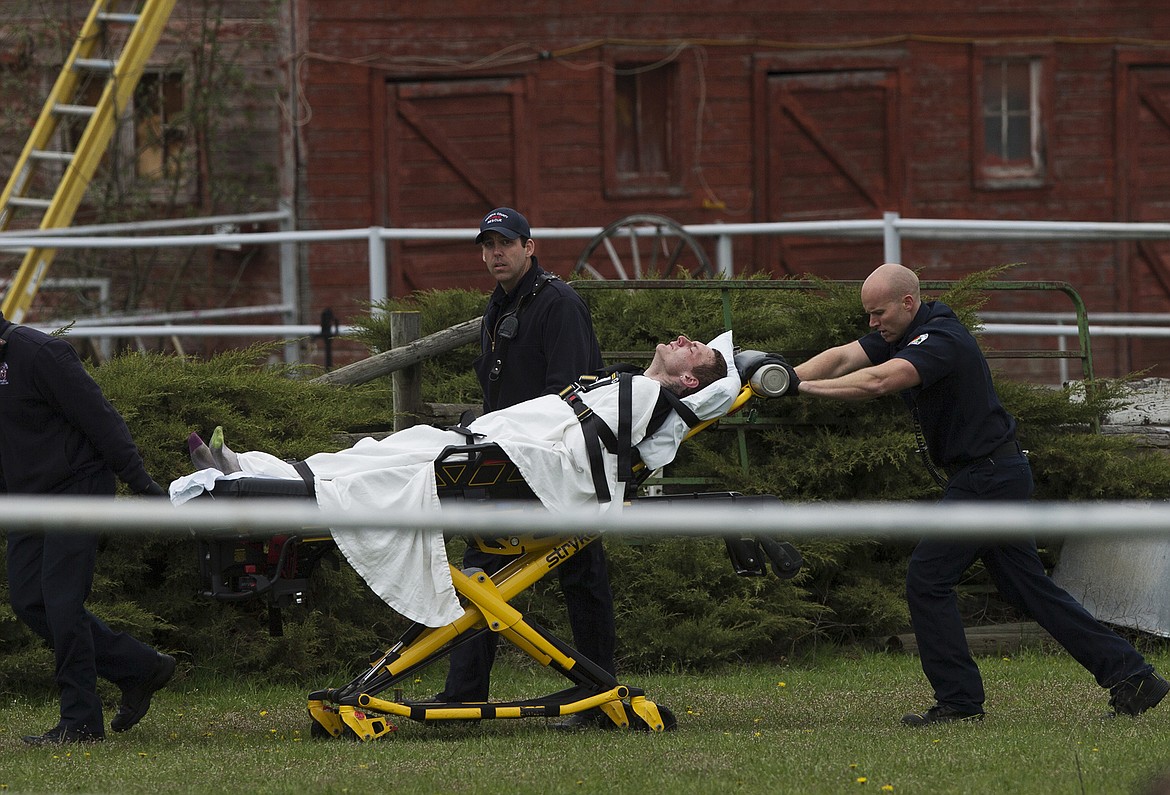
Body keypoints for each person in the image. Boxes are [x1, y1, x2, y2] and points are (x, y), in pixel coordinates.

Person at [786, 262, 1168, 726]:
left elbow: (879, 381)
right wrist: (780, 379)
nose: (873, 323)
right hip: (993, 476)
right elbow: (844, 357)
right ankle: (1133, 677)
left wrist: (802, 387)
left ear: (908, 303)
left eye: (879, 312)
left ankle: (960, 703)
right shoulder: (903, 333)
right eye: (869, 315)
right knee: (1031, 590)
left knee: (927, 580)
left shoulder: (942, 338)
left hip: (986, 479)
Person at [441, 207, 612, 727]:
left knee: (582, 575)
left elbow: (574, 391)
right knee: (481, 574)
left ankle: (601, 696)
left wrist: (540, 456)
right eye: (487, 245)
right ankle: (462, 696)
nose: (495, 253)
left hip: (555, 464)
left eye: (506, 243)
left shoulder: (558, 303)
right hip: (503, 462)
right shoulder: (500, 304)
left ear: (529, 247)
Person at [0, 315, 176, 745]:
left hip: (77, 486)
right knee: (29, 602)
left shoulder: (40, 354)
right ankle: (140, 667)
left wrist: (143, 485)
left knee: (61, 601)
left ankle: (80, 721)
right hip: (26, 499)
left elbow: (101, 419)